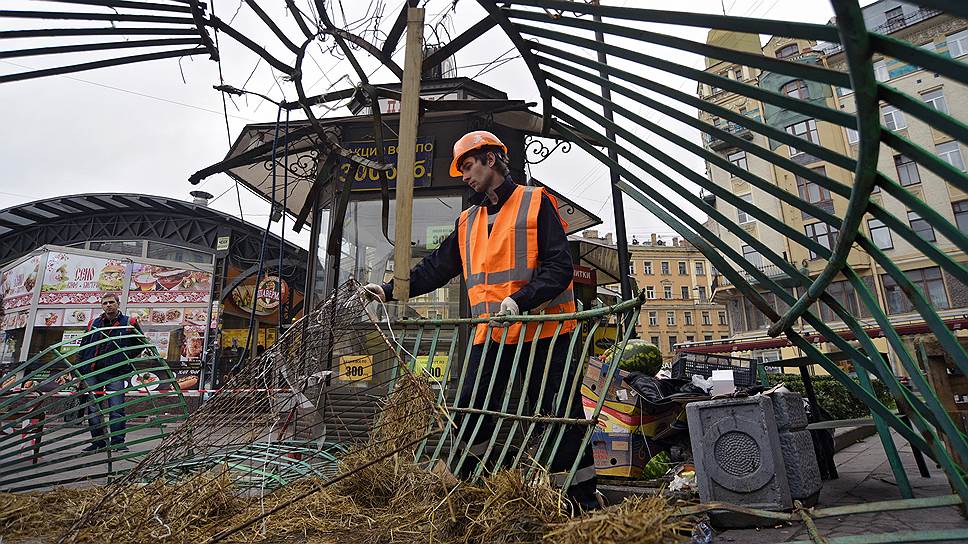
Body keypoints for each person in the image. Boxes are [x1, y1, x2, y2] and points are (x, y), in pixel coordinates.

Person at [363, 130, 599, 510]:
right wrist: (389, 291)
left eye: (469, 165)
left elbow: (560, 268)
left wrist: (520, 301)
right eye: (462, 170)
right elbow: (435, 268)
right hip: (491, 334)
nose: (465, 176)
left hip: (545, 331)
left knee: (559, 415)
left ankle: (578, 501)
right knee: (472, 406)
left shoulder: (535, 202)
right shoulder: (468, 221)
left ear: (491, 159)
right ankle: (467, 488)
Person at [76, 293, 144, 452]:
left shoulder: (129, 322)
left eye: (111, 302)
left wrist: (124, 357)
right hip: (92, 371)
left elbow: (140, 344)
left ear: (118, 304)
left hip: (115, 372)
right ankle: (98, 443)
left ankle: (118, 443)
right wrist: (79, 371)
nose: (108, 305)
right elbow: (83, 347)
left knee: (116, 408)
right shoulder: (93, 323)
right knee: (94, 409)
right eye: (105, 303)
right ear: (102, 306)